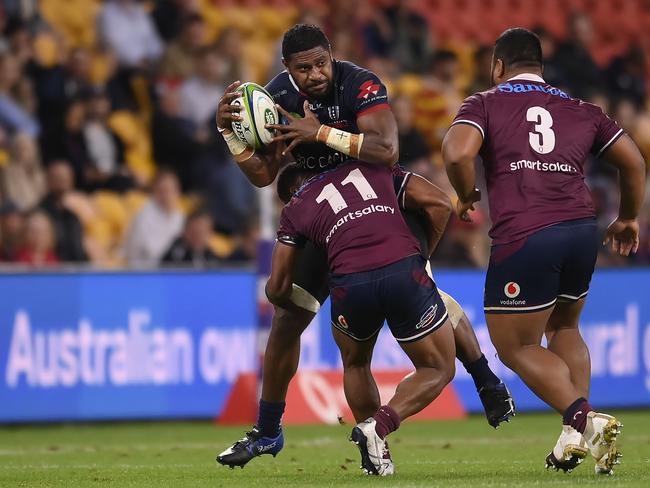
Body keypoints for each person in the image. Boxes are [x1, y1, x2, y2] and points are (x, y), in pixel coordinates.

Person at [215, 24, 513, 469]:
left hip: (379, 192)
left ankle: (484, 377)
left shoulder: (360, 83)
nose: (316, 74)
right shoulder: (276, 100)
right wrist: (233, 135)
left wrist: (320, 134)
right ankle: (270, 430)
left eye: (321, 63)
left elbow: (387, 149)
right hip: (323, 212)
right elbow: (264, 174)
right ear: (287, 69)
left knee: (420, 282)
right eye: (304, 68)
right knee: (286, 323)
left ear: (331, 55)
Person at [442, 28, 646, 475]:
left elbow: (456, 153)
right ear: (541, 67)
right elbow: (634, 160)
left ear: (498, 66)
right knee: (564, 325)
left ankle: (585, 422)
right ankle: (574, 437)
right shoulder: (581, 108)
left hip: (527, 232)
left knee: (514, 345)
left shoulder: (485, 101)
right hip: (581, 229)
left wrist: (467, 193)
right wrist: (628, 217)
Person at [268, 161, 456, 476]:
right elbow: (440, 202)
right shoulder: (373, 166)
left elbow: (278, 286)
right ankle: (378, 426)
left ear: (291, 190)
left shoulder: (297, 207)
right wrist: (422, 255)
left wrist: (275, 295)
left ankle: (377, 459)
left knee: (355, 364)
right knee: (438, 367)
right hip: (400, 268)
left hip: (347, 284)